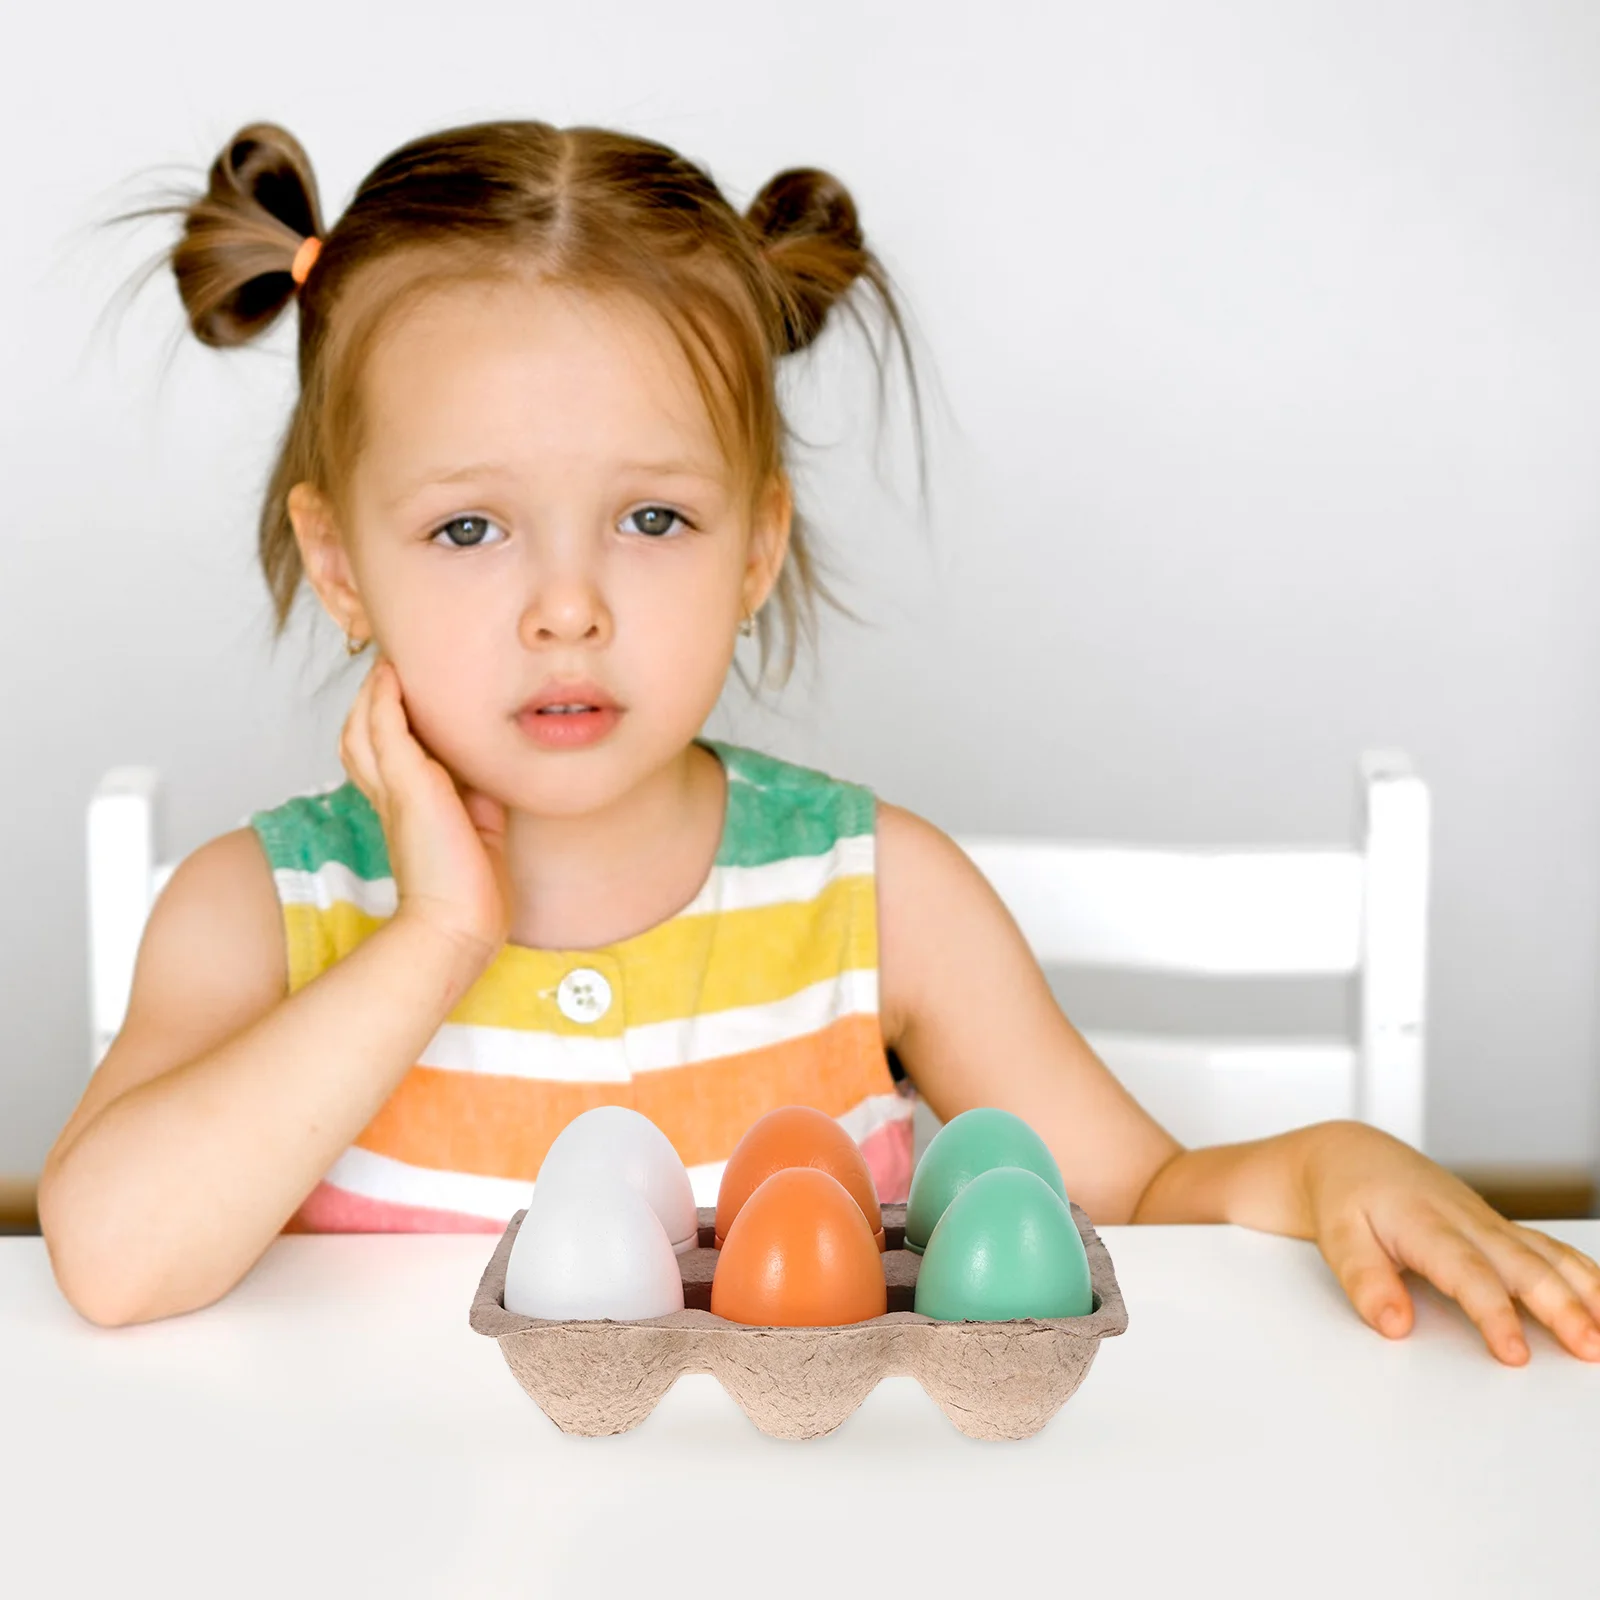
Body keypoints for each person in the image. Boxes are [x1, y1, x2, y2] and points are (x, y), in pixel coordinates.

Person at [38, 118, 1600, 1365]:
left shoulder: (876, 891)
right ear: (338, 564)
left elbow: (1139, 1202)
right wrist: (438, 933)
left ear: (758, 548)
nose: (567, 607)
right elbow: (108, 1262)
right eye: (467, 527)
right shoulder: (266, 914)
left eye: (654, 518)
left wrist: (1323, 1163)